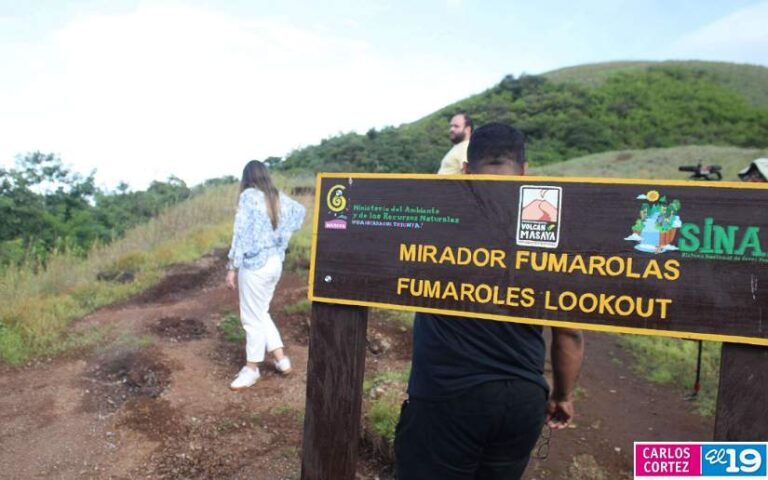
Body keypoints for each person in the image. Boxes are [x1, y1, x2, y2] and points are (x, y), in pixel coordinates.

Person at [395, 123, 585, 480]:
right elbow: (569, 334)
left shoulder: (439, 219)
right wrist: (562, 394)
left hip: (446, 397)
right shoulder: (550, 231)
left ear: (466, 170)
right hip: (522, 401)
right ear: (525, 170)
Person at [225, 160, 306, 390]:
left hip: (256, 265)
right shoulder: (276, 196)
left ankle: (251, 369)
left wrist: (232, 266)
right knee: (260, 312)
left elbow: (239, 234)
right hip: (274, 263)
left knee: (251, 317)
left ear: (247, 177)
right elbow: (300, 212)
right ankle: (281, 359)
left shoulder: (249, 196)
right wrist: (281, 237)